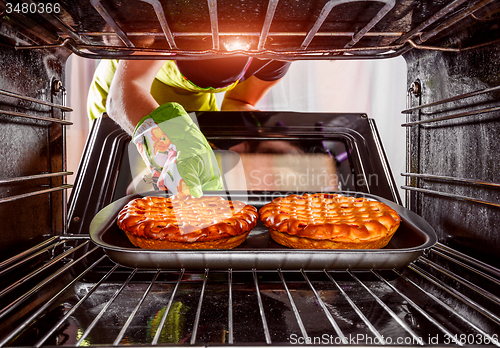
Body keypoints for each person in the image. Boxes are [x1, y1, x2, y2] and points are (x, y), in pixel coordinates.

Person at [87, 57, 291, 196]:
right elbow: (123, 95)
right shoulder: (158, 20)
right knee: (122, 192)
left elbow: (238, 101)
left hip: (195, 108)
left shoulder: (279, 45)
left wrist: (260, 137)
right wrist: (168, 155)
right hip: (127, 99)